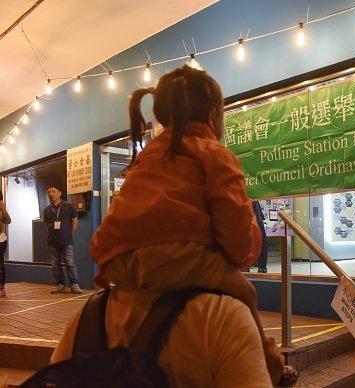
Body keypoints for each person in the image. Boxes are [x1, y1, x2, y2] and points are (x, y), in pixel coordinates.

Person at [52, 66, 289, 386]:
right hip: (178, 257)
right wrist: (248, 244)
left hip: (119, 262)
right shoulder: (213, 152)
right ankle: (270, 361)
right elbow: (238, 242)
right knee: (244, 291)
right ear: (213, 116)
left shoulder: (146, 158)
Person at [43, 186, 82, 294]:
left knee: (69, 262)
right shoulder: (46, 210)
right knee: (55, 264)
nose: (51, 194)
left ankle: (74, 285)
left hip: (66, 241)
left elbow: (75, 221)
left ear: (59, 193)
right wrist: (50, 233)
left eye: (53, 191)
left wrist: (69, 234)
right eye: (49, 192)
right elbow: (46, 224)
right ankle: (60, 285)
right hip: (52, 242)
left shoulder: (68, 206)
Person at [0, 193, 12, 297]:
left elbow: (8, 221)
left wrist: (3, 210)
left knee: (0, 263)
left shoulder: (1, 210)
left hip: (1, 239)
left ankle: (1, 288)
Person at [252, 200, 269, 273]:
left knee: (264, 244)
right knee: (263, 244)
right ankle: (261, 268)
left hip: (257, 219)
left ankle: (262, 268)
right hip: (253, 218)